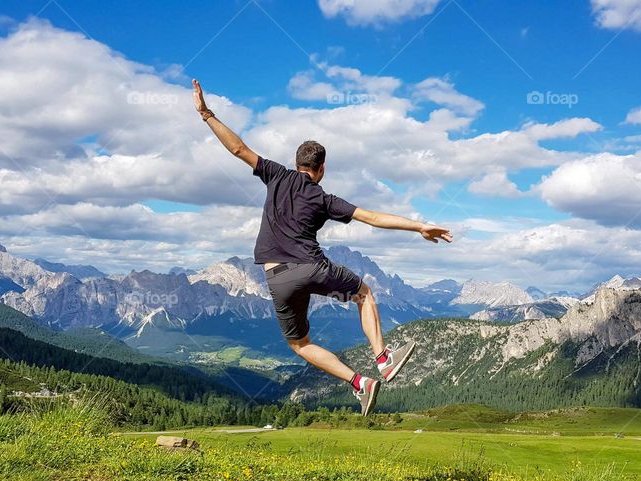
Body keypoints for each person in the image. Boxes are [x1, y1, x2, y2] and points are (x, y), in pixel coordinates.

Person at [192, 79, 453, 416]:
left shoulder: (276, 175)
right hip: (312, 267)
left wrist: (206, 114)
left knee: (299, 345)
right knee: (364, 294)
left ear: (297, 163)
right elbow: (372, 217)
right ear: (321, 169)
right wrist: (419, 225)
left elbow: (238, 148)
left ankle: (359, 383)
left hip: (277, 279)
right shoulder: (323, 197)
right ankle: (384, 360)